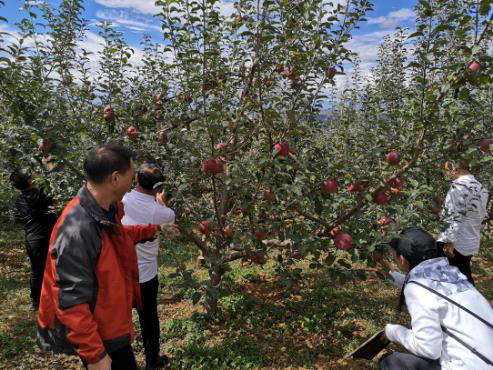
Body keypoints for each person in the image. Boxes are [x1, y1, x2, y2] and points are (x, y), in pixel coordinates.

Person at [37, 143, 175, 370]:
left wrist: (154, 229)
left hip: (109, 318)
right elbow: (70, 298)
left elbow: (119, 235)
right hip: (98, 328)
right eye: (131, 177)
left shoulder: (105, 210)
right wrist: (95, 356)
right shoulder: (77, 229)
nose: (133, 184)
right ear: (115, 179)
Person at [380, 227, 493, 370]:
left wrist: (393, 332)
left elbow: (428, 349)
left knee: (391, 362)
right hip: (486, 358)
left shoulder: (417, 289)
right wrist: (385, 269)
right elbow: (421, 285)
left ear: (401, 259)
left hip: (469, 366)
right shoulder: (451, 273)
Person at [122, 164, 175, 369]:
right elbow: (168, 220)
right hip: (145, 275)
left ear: (136, 180)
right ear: (158, 188)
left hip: (122, 273)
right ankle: (152, 361)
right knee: (149, 320)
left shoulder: (122, 200)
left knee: (119, 320)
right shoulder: (162, 213)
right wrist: (161, 204)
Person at [10, 169, 57, 311]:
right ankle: (55, 299)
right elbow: (56, 201)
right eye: (32, 174)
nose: (36, 174)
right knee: (56, 268)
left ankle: (36, 303)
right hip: (50, 237)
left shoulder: (20, 199)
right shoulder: (42, 193)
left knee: (37, 272)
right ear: (30, 181)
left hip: (33, 240)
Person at [437, 160, 489, 284]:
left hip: (456, 243)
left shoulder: (458, 186)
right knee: (463, 273)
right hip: (471, 240)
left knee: (454, 278)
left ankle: (469, 301)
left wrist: (449, 241)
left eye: (448, 170)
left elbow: (453, 214)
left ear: (456, 170)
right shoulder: (482, 189)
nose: (447, 174)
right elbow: (480, 215)